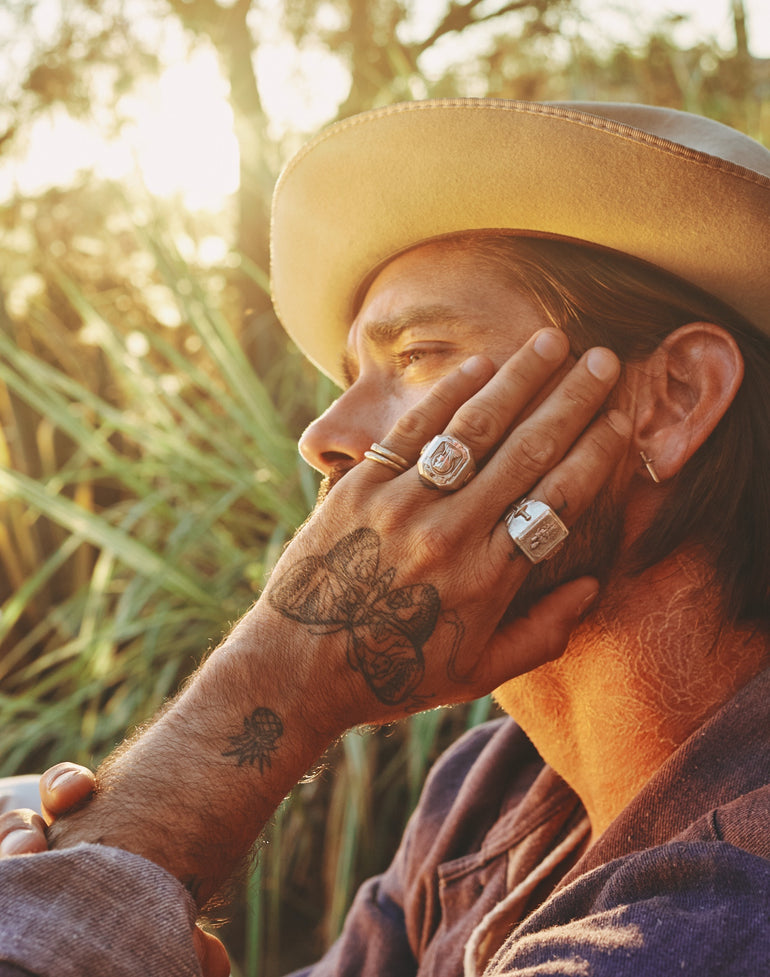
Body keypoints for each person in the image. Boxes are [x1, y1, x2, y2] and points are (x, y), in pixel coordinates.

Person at [1, 99, 769, 977]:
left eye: (418, 353)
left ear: (672, 399)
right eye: (347, 374)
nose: (323, 432)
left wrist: (279, 682)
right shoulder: (492, 788)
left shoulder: (728, 907)